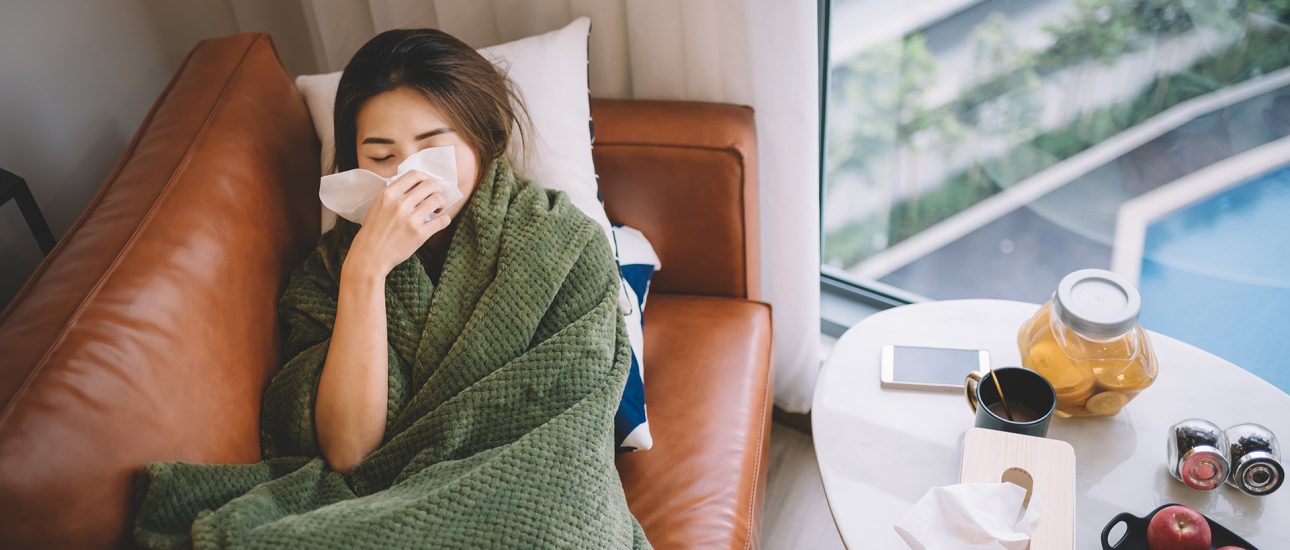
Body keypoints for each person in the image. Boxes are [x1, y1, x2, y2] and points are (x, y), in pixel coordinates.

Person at [132, 28, 649, 549]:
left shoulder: (564, 243)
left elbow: (572, 426)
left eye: (433, 147)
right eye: (382, 157)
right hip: (388, 496)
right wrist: (366, 271)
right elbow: (348, 453)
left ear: (483, 138)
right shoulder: (329, 273)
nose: (408, 175)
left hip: (537, 485)